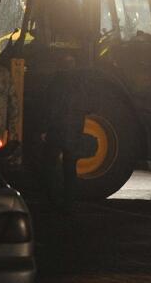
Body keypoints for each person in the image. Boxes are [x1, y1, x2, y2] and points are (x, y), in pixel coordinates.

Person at [42, 60, 98, 214]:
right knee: (70, 167)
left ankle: (52, 200)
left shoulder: (57, 83)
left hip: (57, 131)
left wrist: (44, 128)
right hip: (74, 131)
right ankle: (69, 203)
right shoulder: (81, 85)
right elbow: (89, 107)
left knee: (49, 166)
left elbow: (53, 108)